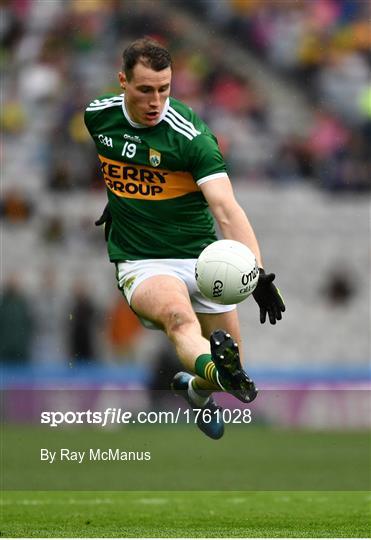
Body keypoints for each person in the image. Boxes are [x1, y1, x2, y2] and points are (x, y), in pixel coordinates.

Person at [84, 37, 285, 439]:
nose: (156, 101)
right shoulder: (97, 116)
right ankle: (215, 370)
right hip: (143, 261)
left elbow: (226, 209)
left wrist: (257, 274)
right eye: (145, 90)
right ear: (123, 81)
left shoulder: (192, 138)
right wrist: (121, 200)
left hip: (202, 262)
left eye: (164, 89)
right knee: (179, 319)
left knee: (235, 367)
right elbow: (124, 163)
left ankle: (195, 389)